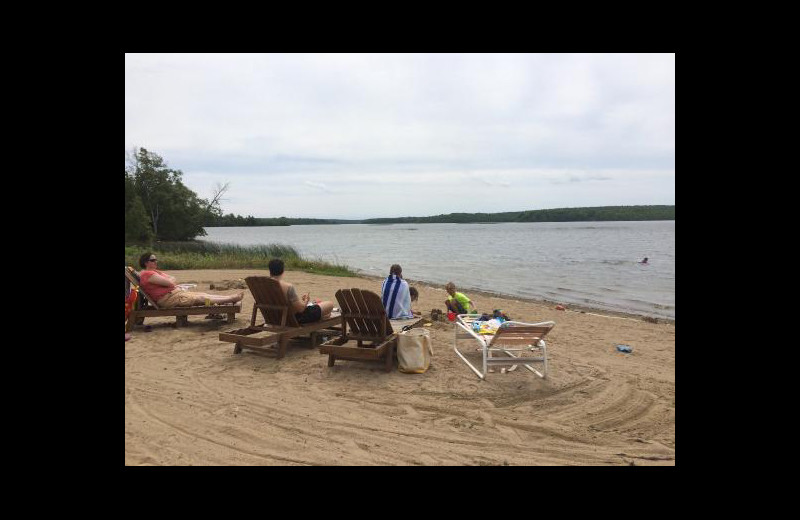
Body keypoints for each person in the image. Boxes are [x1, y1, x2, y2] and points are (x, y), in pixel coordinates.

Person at [137, 252, 244, 309]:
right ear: (146, 263)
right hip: (168, 299)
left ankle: (229, 298)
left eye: (156, 259)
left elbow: (173, 279)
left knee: (202, 294)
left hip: (174, 294)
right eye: (153, 260)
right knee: (201, 298)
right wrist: (170, 281)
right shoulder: (148, 274)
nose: (156, 262)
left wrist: (170, 281)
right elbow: (170, 281)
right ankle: (231, 299)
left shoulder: (155, 272)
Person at [267, 258, 334, 323]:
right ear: (282, 270)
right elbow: (301, 309)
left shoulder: (263, 285)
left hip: (274, 318)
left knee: (322, 310)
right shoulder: (287, 287)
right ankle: (324, 316)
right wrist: (306, 300)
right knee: (330, 304)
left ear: (270, 270)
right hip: (295, 318)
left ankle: (324, 316)